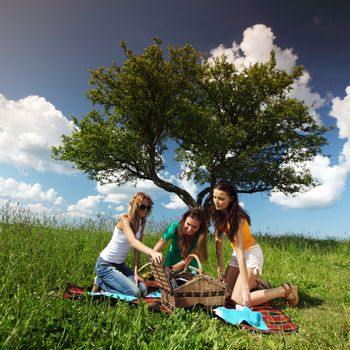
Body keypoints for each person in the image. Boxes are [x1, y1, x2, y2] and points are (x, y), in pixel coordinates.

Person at [211, 180, 299, 308]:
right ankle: (258, 284)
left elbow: (241, 251)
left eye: (221, 198)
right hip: (237, 255)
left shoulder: (238, 218)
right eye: (214, 197)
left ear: (231, 199)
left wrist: (246, 290)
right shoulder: (218, 213)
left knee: (238, 300)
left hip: (251, 255)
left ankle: (285, 290)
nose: (216, 201)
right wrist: (219, 264)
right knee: (226, 295)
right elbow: (218, 238)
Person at [92, 192, 163, 297]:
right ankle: (100, 282)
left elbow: (137, 248)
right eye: (142, 206)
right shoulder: (125, 219)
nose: (145, 210)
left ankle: (106, 282)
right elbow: (133, 242)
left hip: (120, 266)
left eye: (148, 207)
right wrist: (153, 252)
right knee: (134, 293)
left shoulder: (142, 221)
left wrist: (136, 272)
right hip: (105, 265)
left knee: (143, 290)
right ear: (134, 206)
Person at [153, 208, 208, 273]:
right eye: (188, 224)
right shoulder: (175, 227)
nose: (190, 229)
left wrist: (170, 270)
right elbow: (160, 243)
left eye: (195, 227)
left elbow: (186, 260)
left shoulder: (200, 237)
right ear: (184, 220)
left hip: (189, 267)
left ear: (199, 228)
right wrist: (154, 256)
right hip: (171, 261)